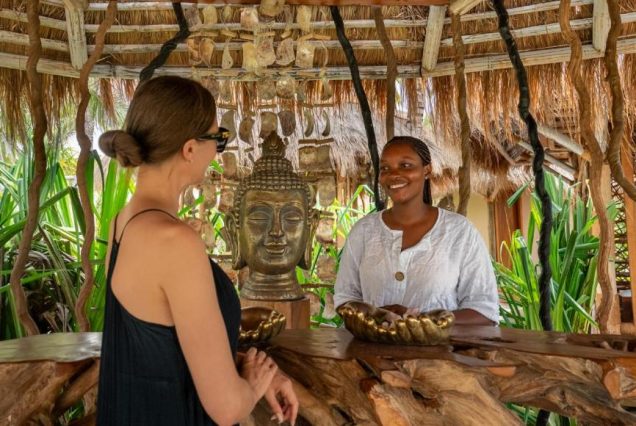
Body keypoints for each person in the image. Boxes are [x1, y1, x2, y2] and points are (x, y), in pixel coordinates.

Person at [96, 76, 298, 425]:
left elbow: (162, 349)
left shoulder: (123, 224)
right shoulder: (174, 241)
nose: (218, 151)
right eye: (218, 139)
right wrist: (252, 387)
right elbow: (227, 408)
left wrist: (250, 369)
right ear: (190, 149)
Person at [334, 136, 498, 325]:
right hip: (370, 345)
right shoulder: (364, 232)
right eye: (385, 168)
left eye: (405, 165)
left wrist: (422, 322)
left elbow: (484, 311)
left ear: (427, 170)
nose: (393, 174)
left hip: (442, 345)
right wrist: (375, 314)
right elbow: (345, 299)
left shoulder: (459, 232)